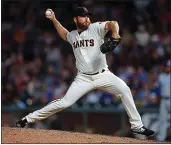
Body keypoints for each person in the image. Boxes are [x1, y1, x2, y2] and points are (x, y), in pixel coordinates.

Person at [16, 7, 154, 136]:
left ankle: (137, 126)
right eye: (83, 17)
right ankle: (27, 119)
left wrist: (115, 34)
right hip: (83, 78)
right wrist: (53, 19)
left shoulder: (96, 28)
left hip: (103, 74)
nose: (87, 19)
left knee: (125, 90)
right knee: (64, 103)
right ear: (75, 19)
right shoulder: (73, 35)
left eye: (88, 16)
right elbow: (64, 34)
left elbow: (113, 23)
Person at [156, 60, 171, 141]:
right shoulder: (161, 76)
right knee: (163, 119)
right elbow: (158, 89)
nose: (168, 68)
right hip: (163, 100)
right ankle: (161, 139)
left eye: (169, 67)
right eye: (167, 66)